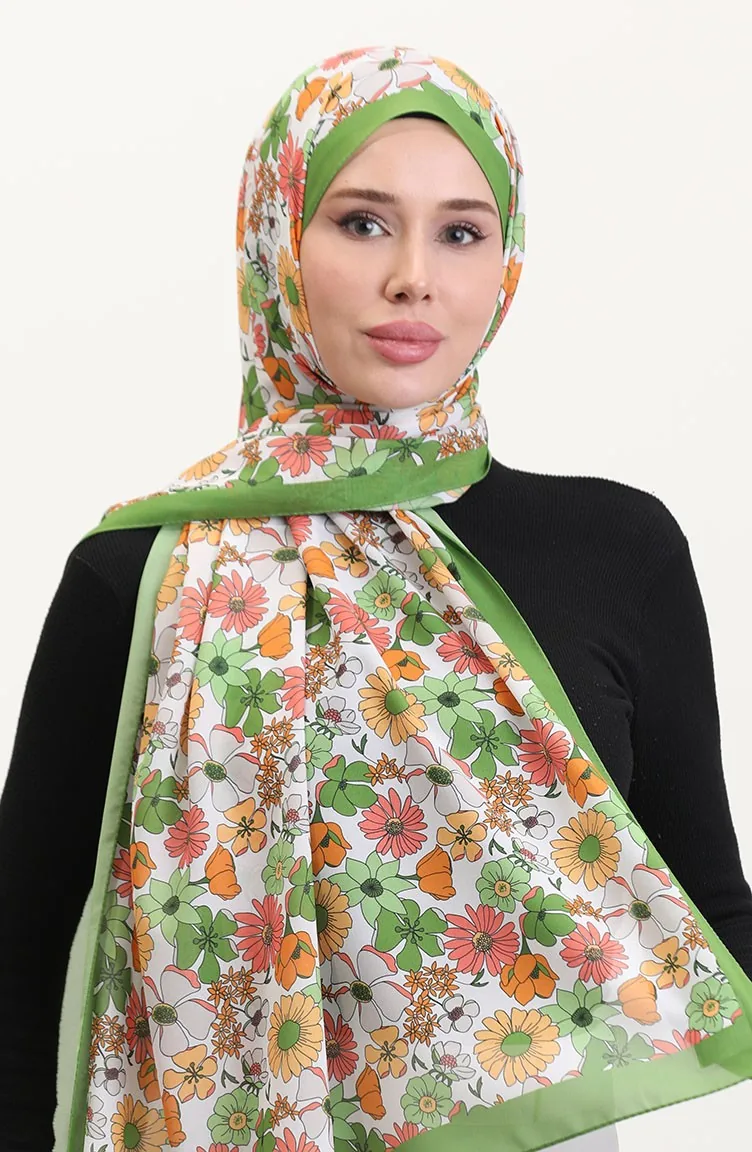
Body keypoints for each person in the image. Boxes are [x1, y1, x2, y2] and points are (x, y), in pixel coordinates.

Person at [2, 43, 752, 1152]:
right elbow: (21, 978)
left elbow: (705, 908)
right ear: (276, 242)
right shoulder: (142, 574)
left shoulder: (617, 550)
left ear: (505, 263)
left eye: (461, 232)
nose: (414, 277)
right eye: (362, 222)